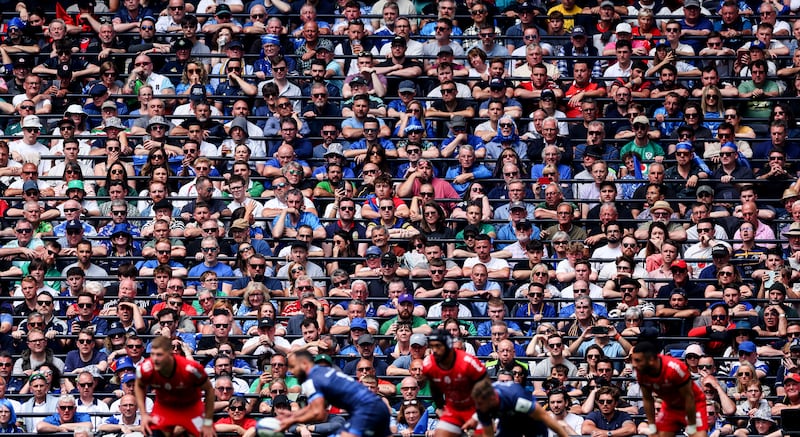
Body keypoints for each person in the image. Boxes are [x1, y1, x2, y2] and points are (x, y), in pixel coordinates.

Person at [277, 350, 391, 437]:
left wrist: (292, 420)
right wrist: (293, 415)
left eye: (292, 366)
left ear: (304, 363)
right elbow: (313, 408)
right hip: (379, 407)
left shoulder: (311, 379)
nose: (290, 371)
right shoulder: (322, 371)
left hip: (366, 409)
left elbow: (318, 413)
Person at [134, 336, 216, 437]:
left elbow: (209, 390)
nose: (154, 359)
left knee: (207, 434)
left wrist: (207, 422)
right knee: (150, 433)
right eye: (152, 354)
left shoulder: (190, 369)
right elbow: (139, 385)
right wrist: (144, 414)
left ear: (170, 354)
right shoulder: (146, 368)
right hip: (164, 407)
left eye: (159, 355)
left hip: (191, 409)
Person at [632, 341, 708, 437]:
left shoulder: (674, 368)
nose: (634, 365)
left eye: (638, 360)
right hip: (670, 406)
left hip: (693, 404)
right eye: (633, 360)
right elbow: (647, 399)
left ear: (651, 360)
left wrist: (692, 425)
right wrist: (652, 427)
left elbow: (689, 397)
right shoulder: (641, 372)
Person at [423, 330, 488, 437]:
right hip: (453, 409)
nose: (434, 350)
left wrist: (476, 417)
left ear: (448, 346)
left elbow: (487, 393)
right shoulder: (428, 364)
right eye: (432, 346)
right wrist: (440, 408)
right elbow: (435, 389)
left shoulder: (468, 362)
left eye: (438, 346)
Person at [468, 378, 570, 437]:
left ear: (492, 399)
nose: (478, 408)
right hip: (507, 423)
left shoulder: (516, 397)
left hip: (531, 421)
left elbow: (544, 417)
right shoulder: (481, 405)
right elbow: (488, 434)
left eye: (480, 404)